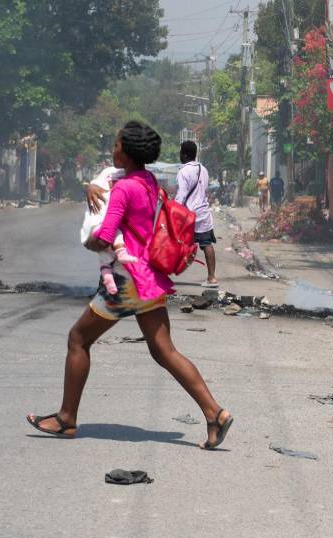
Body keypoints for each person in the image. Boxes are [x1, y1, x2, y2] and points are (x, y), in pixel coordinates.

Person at [27, 121, 233, 449]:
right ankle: (215, 413)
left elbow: (106, 236)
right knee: (164, 350)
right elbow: (105, 180)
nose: (112, 151)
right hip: (149, 278)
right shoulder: (148, 181)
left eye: (116, 146)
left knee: (78, 339)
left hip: (126, 282)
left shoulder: (124, 189)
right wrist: (87, 187)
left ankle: (66, 419)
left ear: (127, 151)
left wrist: (90, 240)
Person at [79, 165, 139, 296]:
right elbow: (95, 185)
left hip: (125, 238)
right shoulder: (111, 174)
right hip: (111, 231)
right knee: (108, 250)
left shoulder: (138, 180)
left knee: (106, 256)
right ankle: (107, 286)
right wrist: (90, 187)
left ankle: (108, 285)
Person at [175, 140, 218, 288]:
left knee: (172, 241)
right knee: (207, 244)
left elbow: (181, 194)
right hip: (203, 213)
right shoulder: (203, 169)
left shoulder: (183, 172)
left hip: (188, 215)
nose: (180, 155)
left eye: (181, 152)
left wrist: (174, 209)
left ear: (184, 154)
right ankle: (212, 278)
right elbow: (204, 189)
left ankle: (163, 274)